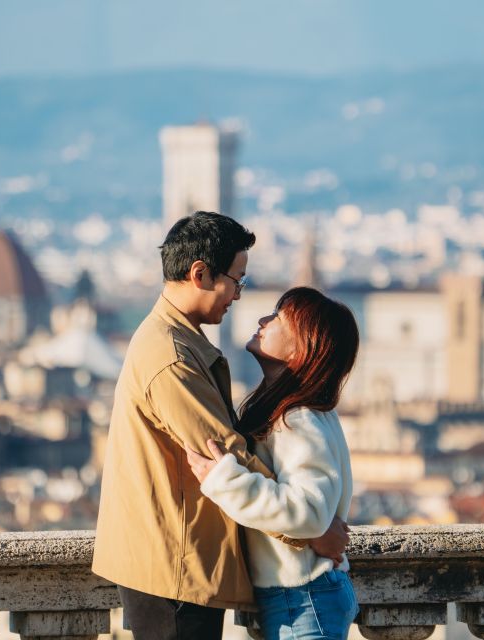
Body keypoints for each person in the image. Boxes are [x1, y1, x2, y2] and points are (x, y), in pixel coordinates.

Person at [92, 213, 349, 640]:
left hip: (180, 562)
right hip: (174, 566)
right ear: (200, 274)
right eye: (237, 280)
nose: (238, 296)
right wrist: (310, 530)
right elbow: (224, 453)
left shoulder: (178, 343)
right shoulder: (172, 356)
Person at [186, 286, 361, 640]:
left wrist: (224, 480)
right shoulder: (301, 412)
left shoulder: (298, 419)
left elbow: (309, 513)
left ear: (302, 348)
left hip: (302, 598)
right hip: (299, 596)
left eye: (280, 318)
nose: (264, 320)